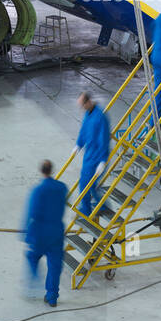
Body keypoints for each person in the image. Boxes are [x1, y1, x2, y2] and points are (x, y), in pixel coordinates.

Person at [23, 160, 67, 307]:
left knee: (32, 256)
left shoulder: (38, 190)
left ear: (41, 171)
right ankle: (52, 297)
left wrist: (25, 233)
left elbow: (31, 212)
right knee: (55, 266)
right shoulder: (62, 188)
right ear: (52, 170)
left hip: (40, 232)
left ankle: (35, 281)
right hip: (56, 232)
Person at [75, 92, 111, 221]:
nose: (82, 108)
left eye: (82, 105)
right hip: (89, 155)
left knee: (91, 185)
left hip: (97, 157)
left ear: (88, 102)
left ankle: (99, 207)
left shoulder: (100, 117)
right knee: (85, 184)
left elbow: (104, 139)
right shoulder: (88, 114)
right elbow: (84, 131)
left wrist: (103, 160)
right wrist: (78, 144)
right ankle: (89, 209)